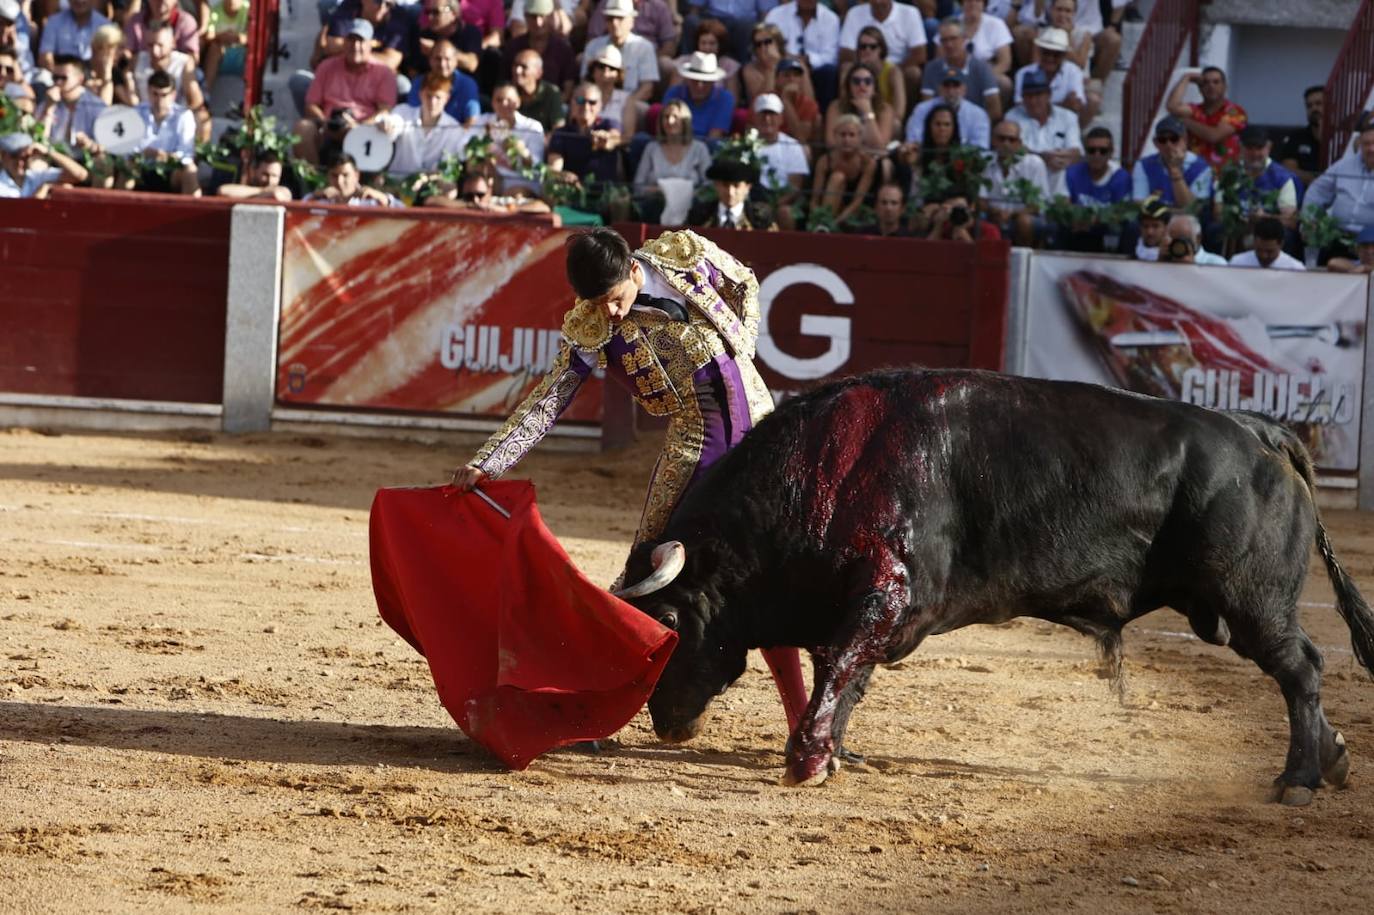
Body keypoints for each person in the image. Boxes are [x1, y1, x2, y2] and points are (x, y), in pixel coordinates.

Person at [450, 226, 810, 743]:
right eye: (597, 304)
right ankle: (593, 710)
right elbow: (550, 399)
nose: (610, 315)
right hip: (698, 444)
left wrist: (743, 340)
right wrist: (490, 461)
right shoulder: (590, 326)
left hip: (765, 434)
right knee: (646, 572)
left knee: (772, 574)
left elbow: (745, 281)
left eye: (615, 299)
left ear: (634, 271)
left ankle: (802, 722)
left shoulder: (684, 257)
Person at [295, 20, 398, 164]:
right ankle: (312, 180)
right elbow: (311, 104)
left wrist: (358, 127)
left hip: (366, 130)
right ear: (343, 42)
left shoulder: (384, 72)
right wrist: (327, 123)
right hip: (329, 127)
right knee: (303, 128)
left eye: (361, 41)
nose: (355, 46)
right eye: (351, 40)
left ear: (371, 44)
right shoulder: (327, 66)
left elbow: (385, 111)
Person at [632, 98, 710, 224]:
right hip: (654, 212)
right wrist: (659, 191)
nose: (670, 121)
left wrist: (686, 192)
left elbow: (709, 187)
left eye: (675, 116)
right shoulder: (652, 148)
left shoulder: (699, 149)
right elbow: (638, 186)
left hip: (693, 213)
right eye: (666, 116)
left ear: (685, 121)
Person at [1005, 69, 1080, 195]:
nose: (1033, 101)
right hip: (1025, 177)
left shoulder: (1068, 117)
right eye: (1028, 96)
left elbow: (1076, 151)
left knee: (1059, 168)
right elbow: (1012, 148)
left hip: (1057, 174)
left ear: (1048, 95)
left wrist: (1061, 157)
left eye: (1038, 95)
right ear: (1022, 97)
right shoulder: (1012, 117)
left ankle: (1056, 208)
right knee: (1035, 163)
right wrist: (1042, 157)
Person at [131, 22, 209, 141]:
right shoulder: (137, 61)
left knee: (203, 118)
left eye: (160, 45)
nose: (155, 51)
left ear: (172, 43)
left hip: (175, 118)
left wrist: (171, 111)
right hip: (143, 117)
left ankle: (198, 156)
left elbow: (196, 101)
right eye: (150, 45)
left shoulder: (184, 62)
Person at [1058, 125, 1129, 252]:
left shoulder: (1120, 177)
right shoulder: (1072, 172)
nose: (1097, 155)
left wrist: (1093, 220)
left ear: (1111, 152)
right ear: (1085, 152)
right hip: (1077, 225)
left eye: (1103, 151)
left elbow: (1120, 213)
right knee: (1060, 225)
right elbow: (1063, 204)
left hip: (1104, 227)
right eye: (1091, 150)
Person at [839, 0, 925, 101]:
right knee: (846, 68)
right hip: (863, 63)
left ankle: (906, 114)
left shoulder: (910, 13)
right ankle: (845, 110)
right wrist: (864, 67)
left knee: (913, 73)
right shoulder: (854, 13)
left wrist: (892, 70)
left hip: (897, 66)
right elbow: (846, 52)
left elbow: (920, 54)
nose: (878, 2)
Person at [981, 118, 1049, 246]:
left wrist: (1013, 214)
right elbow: (980, 200)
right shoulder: (984, 161)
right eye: (1001, 139)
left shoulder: (1034, 163)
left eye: (1011, 140)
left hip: (1026, 216)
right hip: (993, 214)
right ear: (993, 140)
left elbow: (1039, 204)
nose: (1006, 144)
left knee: (1024, 222)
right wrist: (994, 211)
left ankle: (1023, 260)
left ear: (1019, 143)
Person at [1166, 66, 1246, 171]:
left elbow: (1214, 136)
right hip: (1194, 174)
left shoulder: (1235, 111)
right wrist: (1187, 78)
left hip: (1225, 178)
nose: (1211, 86)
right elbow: (1172, 106)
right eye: (1206, 83)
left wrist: (1184, 121)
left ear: (1225, 87)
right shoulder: (1195, 110)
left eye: (1216, 82)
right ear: (1200, 89)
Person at [1302, 121, 1374, 238]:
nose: (1371, 149)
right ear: (1360, 144)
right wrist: (1308, 221)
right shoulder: (1344, 165)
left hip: (1370, 241)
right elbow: (1317, 190)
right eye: (1367, 144)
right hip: (1337, 235)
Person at [581, 0, 659, 108]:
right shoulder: (593, 47)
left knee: (642, 108)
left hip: (631, 103)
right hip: (596, 104)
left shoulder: (644, 47)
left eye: (620, 18)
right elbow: (585, 82)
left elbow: (647, 88)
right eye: (610, 18)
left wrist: (625, 105)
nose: (614, 23)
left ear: (631, 21)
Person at [132, 69, 198, 195]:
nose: (159, 100)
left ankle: (194, 212)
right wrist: (143, 153)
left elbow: (186, 154)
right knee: (127, 167)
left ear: (173, 94)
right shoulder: (136, 112)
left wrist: (166, 157)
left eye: (164, 95)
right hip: (140, 169)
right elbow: (128, 148)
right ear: (148, 92)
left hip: (171, 170)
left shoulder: (184, 116)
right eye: (155, 94)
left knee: (190, 170)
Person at [387, 71, 467, 175]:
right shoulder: (403, 112)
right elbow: (393, 122)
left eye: (438, 97)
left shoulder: (454, 129)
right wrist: (387, 125)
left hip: (432, 187)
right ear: (420, 94)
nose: (432, 102)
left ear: (447, 98)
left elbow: (445, 168)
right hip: (395, 182)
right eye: (428, 96)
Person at [764, 0, 838, 108]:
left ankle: (820, 116)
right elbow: (769, 46)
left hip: (816, 71)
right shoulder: (776, 15)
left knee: (829, 72)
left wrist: (807, 60)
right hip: (782, 67)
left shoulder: (830, 19)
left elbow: (831, 56)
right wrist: (792, 60)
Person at [923, 20, 1001, 122]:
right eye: (944, 40)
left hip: (974, 123)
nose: (949, 45)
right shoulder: (932, 68)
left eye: (953, 39)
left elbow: (994, 108)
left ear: (964, 39)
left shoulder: (982, 67)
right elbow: (926, 106)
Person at [547, 82, 622, 186]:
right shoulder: (561, 133)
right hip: (573, 191)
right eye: (580, 101)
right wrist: (563, 175)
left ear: (600, 105)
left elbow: (616, 138)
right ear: (571, 103)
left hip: (606, 192)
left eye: (592, 102)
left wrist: (606, 139)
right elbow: (554, 168)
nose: (586, 106)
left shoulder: (609, 124)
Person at [752, 92, 808, 230]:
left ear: (781, 118)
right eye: (763, 114)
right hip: (752, 198)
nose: (767, 119)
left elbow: (795, 187)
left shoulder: (793, 146)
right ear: (755, 118)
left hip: (783, 201)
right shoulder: (745, 144)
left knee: (785, 213)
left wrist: (773, 205)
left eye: (772, 114)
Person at [1131, 115, 1212, 208]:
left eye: (1174, 139)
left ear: (1185, 140)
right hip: (1154, 221)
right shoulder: (1143, 165)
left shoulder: (1202, 168)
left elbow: (1192, 209)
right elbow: (1139, 204)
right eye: (1162, 140)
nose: (1168, 145)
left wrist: (1175, 170)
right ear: (1155, 143)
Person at [811, 112, 876, 227]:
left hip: (851, 214)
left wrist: (836, 223)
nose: (847, 139)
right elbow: (815, 200)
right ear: (835, 136)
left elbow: (857, 201)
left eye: (851, 135)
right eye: (843, 135)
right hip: (826, 210)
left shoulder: (867, 163)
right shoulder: (825, 161)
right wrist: (818, 218)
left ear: (860, 137)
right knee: (838, 178)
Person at [906, 65, 990, 150]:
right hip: (928, 158)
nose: (951, 90)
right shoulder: (922, 109)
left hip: (965, 161)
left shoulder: (978, 114)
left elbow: (981, 147)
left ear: (964, 89)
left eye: (956, 85)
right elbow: (913, 141)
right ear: (939, 88)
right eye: (947, 85)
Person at [502, 0, 576, 94]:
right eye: (533, 17)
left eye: (543, 16)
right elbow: (503, 84)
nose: (538, 22)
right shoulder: (513, 47)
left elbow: (568, 90)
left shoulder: (563, 50)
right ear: (525, 16)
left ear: (550, 17)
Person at [1012, 26, 1086, 120]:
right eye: (1046, 53)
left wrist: (1038, 106)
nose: (1050, 58)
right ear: (1040, 52)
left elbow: (1076, 104)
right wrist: (1063, 104)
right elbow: (1020, 106)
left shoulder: (1074, 71)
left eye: (1056, 55)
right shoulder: (1023, 73)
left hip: (1063, 120)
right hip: (1029, 121)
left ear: (1064, 56)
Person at [38, 54, 106, 152]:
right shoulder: (47, 102)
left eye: (63, 78)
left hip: (85, 162)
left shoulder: (97, 107)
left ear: (80, 79)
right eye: (55, 77)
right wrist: (48, 108)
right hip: (54, 159)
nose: (58, 82)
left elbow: (105, 148)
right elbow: (40, 140)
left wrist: (90, 145)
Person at [662, 52, 735, 140]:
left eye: (705, 81)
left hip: (707, 148)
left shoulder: (724, 98)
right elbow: (666, 132)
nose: (700, 85)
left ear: (713, 82)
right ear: (687, 79)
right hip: (676, 144)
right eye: (695, 80)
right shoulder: (673, 94)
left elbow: (714, 137)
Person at [408, 39, 480, 127]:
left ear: (455, 61)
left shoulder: (468, 85)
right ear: (430, 60)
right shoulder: (419, 83)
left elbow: (471, 122)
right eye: (438, 59)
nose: (442, 64)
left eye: (447, 59)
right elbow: (411, 114)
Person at [668, 18, 742, 102]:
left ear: (720, 45)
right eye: (703, 43)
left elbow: (733, 100)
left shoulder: (729, 66)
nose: (707, 48)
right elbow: (672, 97)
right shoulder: (683, 63)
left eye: (712, 43)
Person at [688, 157, 774, 229]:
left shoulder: (760, 217)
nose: (730, 192)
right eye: (725, 185)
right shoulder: (699, 214)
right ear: (716, 185)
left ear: (748, 187)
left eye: (736, 186)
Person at [825, 61, 894, 151]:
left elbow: (880, 148)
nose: (862, 85)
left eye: (868, 81)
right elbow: (831, 143)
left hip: (872, 160)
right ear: (849, 87)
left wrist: (868, 113)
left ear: (874, 89)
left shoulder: (885, 109)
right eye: (856, 81)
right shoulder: (836, 106)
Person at [0, 131, 88, 198]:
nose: (20, 162)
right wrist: (39, 194)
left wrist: (48, 152)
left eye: (25, 157)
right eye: (14, 157)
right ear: (4, 156)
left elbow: (80, 174)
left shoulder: (37, 176)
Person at [848, 26, 903, 124]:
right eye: (863, 47)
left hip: (884, 118)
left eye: (873, 47)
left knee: (896, 125)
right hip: (856, 118)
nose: (867, 50)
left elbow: (899, 111)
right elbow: (844, 102)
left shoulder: (893, 72)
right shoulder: (850, 71)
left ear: (881, 49)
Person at [307, 151, 403, 205]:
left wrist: (382, 198)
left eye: (345, 175)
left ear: (356, 175)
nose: (339, 181)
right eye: (334, 175)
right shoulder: (319, 200)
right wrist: (314, 196)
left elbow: (404, 212)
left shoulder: (371, 200)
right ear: (328, 176)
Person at [37, 0, 109, 71]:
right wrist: (62, 74)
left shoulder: (105, 26)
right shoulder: (53, 22)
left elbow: (107, 61)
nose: (79, 1)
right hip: (61, 74)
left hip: (93, 74)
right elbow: (45, 57)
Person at [125, 0, 200, 61]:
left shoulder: (186, 21)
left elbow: (193, 58)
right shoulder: (135, 20)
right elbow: (127, 50)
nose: (161, 1)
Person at [1278, 85, 1323, 187]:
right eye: (1309, 106)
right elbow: (1288, 169)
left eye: (1319, 104)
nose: (1314, 108)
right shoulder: (1297, 137)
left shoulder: (1342, 136)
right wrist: (1315, 180)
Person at [202, 0, 249, 94]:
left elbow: (255, 37)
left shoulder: (248, 9)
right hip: (221, 57)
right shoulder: (215, 10)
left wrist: (238, 38)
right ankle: (205, 92)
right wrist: (220, 37)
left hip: (242, 56)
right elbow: (207, 36)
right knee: (214, 49)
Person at [774, 56, 820, 147]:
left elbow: (801, 139)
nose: (791, 79)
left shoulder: (808, 104)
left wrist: (786, 102)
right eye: (786, 75)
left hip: (795, 149)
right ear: (776, 79)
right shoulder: (766, 99)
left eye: (796, 75)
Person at [1228, 217, 1305, 271]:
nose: (1263, 256)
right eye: (1259, 250)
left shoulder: (1295, 269)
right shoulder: (1237, 263)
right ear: (1254, 242)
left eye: (1269, 251)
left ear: (1281, 244)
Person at [586, 44, 631, 134]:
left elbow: (628, 136)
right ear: (592, 71)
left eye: (612, 68)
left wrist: (610, 139)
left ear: (619, 75)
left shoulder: (627, 99)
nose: (606, 72)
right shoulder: (582, 94)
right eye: (601, 66)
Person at [216, 150, 294, 201]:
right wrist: (263, 191)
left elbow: (276, 195)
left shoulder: (283, 190)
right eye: (265, 174)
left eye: (275, 176)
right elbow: (223, 191)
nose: (270, 180)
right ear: (254, 171)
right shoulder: (260, 189)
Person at [738, 21, 784, 104]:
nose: (763, 47)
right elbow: (761, 104)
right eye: (758, 44)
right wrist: (770, 68)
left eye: (767, 42)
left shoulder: (796, 63)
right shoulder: (749, 70)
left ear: (778, 42)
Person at [1162, 213, 1226, 266]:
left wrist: (1191, 266)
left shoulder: (1216, 263)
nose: (1178, 244)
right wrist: (1159, 263)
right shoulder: (1160, 258)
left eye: (1183, 239)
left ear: (1198, 238)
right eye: (1173, 238)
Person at [1133, 195, 1169, 261]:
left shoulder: (1174, 253)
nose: (1150, 232)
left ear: (1166, 228)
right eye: (1145, 226)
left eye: (1156, 226)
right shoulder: (1131, 248)